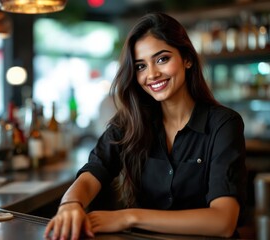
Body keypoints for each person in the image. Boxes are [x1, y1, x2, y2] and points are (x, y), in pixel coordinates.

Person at [44, 12, 247, 240]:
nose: (151, 74)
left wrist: (129, 217)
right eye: (140, 66)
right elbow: (94, 170)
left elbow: (223, 221)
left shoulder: (224, 124)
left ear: (187, 59)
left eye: (162, 59)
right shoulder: (130, 122)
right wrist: (70, 204)